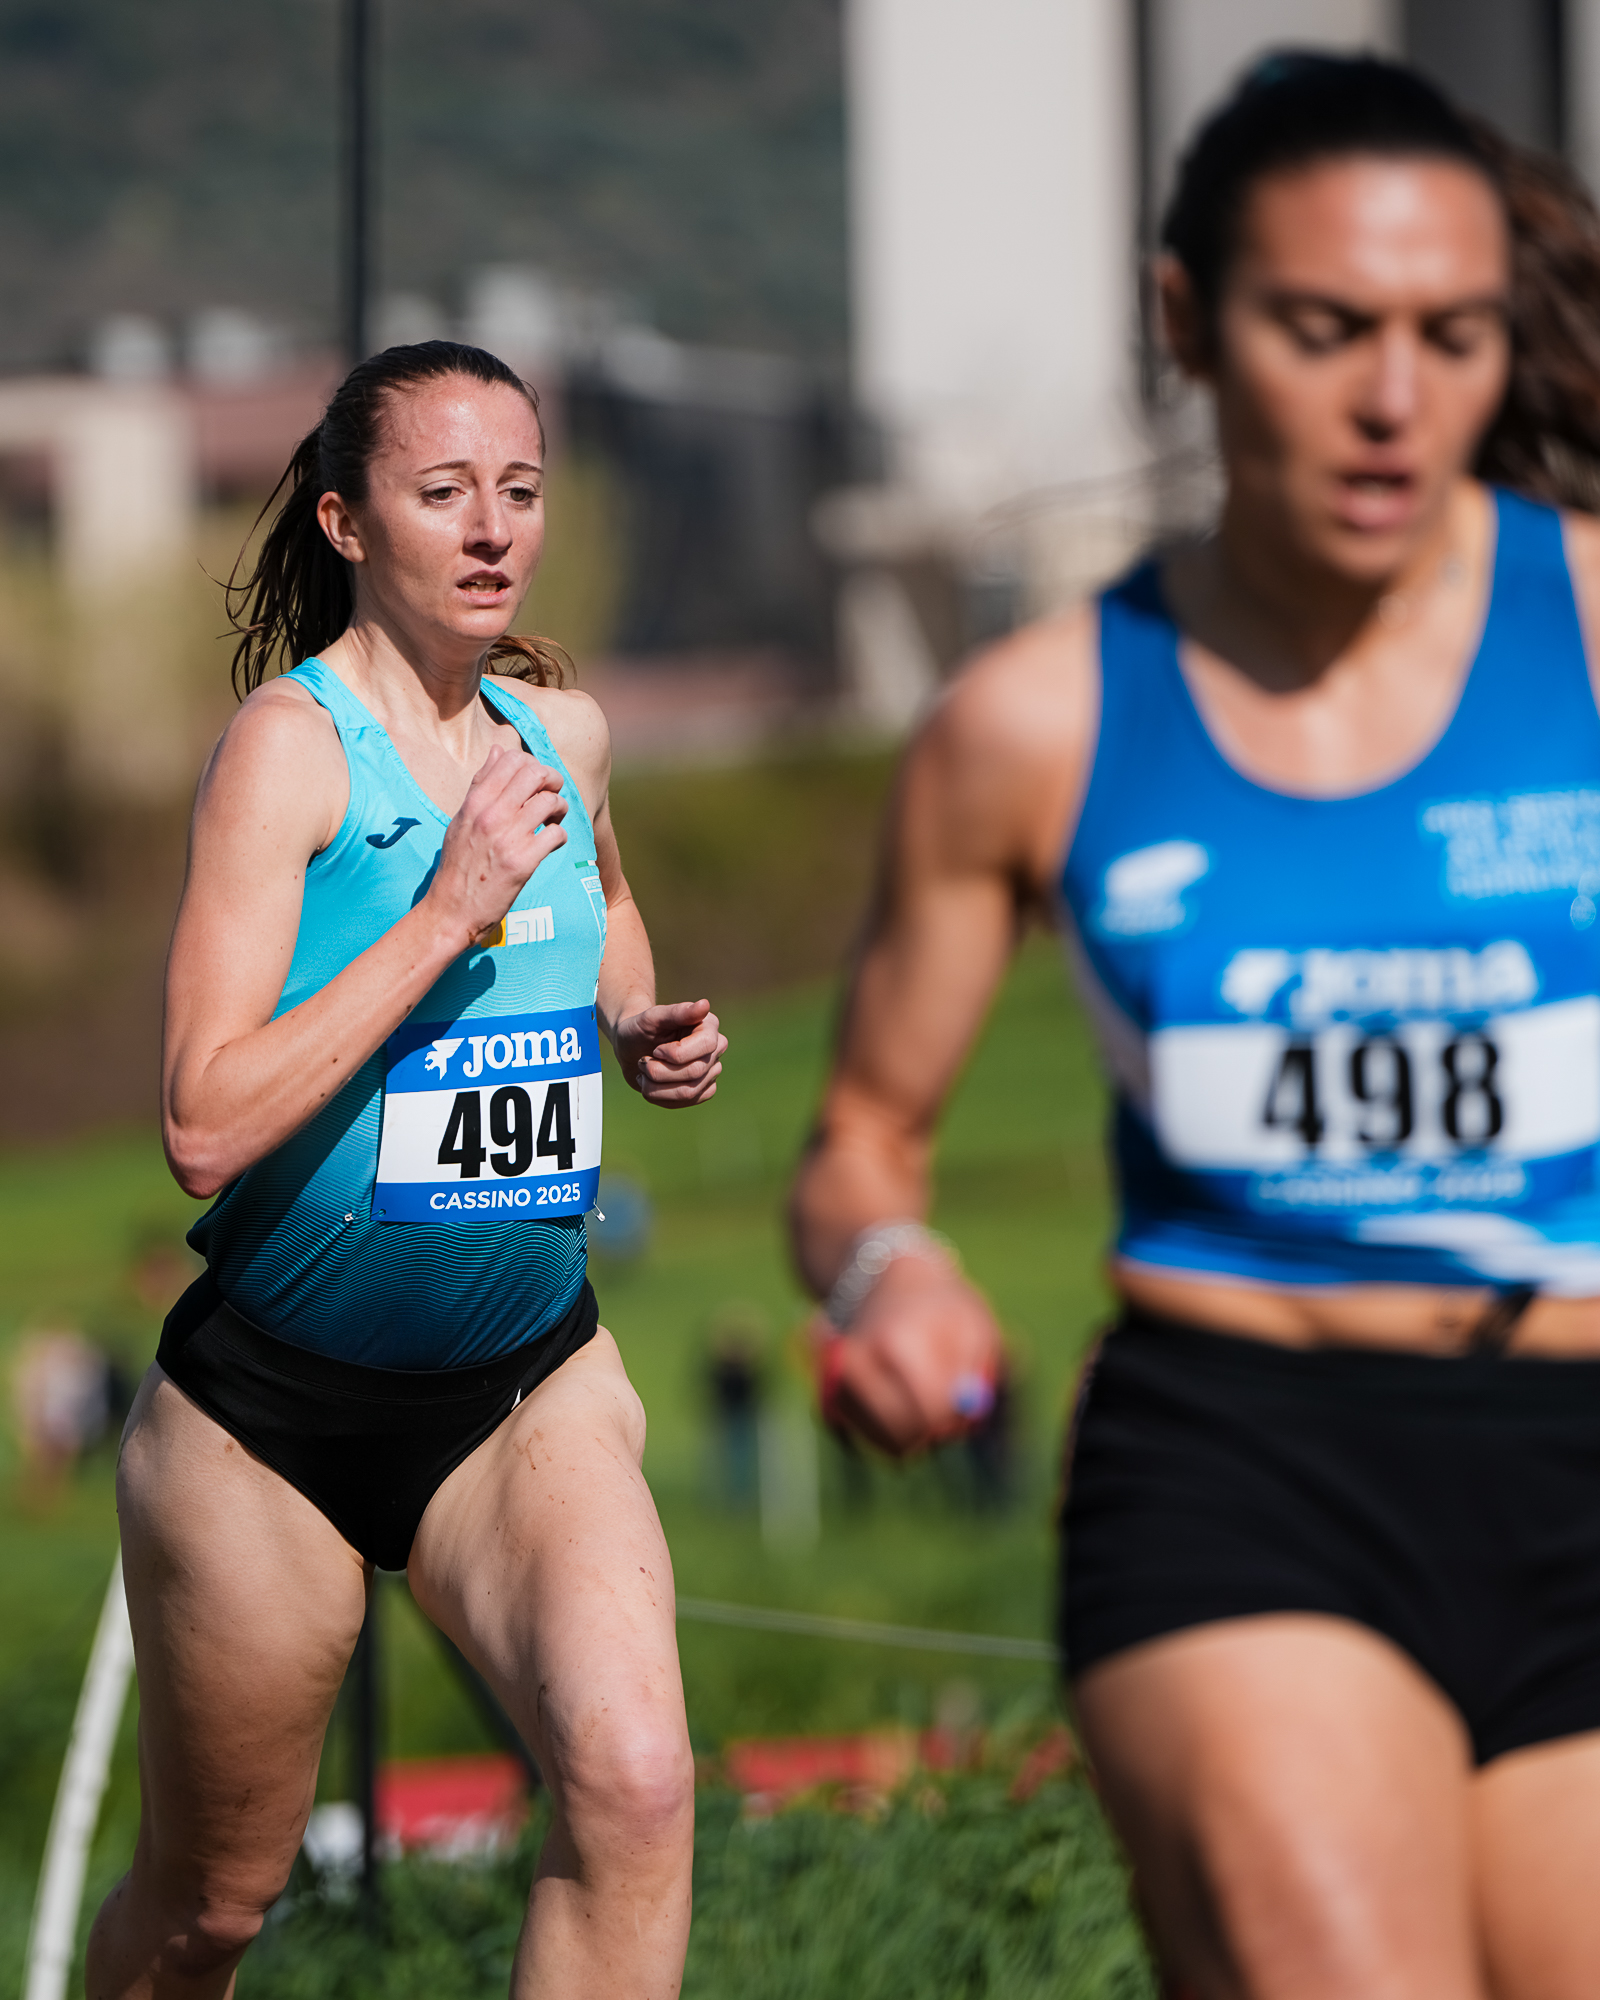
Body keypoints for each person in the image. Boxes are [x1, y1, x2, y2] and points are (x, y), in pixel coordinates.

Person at [790, 54, 1600, 1998]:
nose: (1392, 399)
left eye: (1449, 336)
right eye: (1322, 329)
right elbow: (860, 1141)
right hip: (1247, 1464)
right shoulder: (1032, 722)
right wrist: (890, 1272)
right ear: (1186, 322)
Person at [89, 340, 726, 1999]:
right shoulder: (289, 752)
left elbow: (603, 904)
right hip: (269, 1427)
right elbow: (203, 1123)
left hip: (523, 1393)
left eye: (520, 489)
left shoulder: (564, 733)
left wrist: (635, 1022)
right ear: (348, 521)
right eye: (444, 492)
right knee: (213, 1909)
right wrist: (447, 908)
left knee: (636, 1785)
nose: (493, 527)